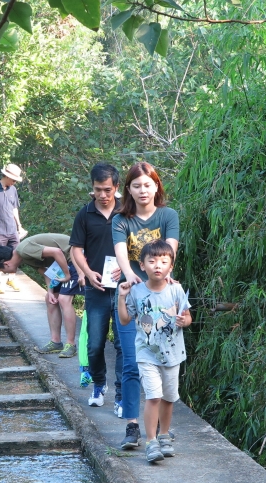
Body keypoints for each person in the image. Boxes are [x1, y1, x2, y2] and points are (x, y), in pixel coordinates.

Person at [112, 162, 179, 449]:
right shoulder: (121, 219)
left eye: (147, 184)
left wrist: (163, 273)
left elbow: (170, 250)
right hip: (133, 292)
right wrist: (130, 278)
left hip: (162, 293)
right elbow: (121, 255)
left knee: (165, 361)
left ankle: (162, 431)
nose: (142, 190)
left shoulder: (168, 215)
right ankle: (132, 425)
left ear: (156, 186)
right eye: (136, 185)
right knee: (130, 362)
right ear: (128, 189)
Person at [117, 239, 192, 463]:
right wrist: (121, 296)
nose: (157, 265)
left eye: (163, 261)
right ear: (142, 265)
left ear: (171, 266)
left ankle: (164, 434)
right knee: (154, 396)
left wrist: (183, 321)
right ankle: (151, 441)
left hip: (173, 354)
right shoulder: (136, 291)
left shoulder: (177, 290)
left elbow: (188, 317)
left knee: (169, 398)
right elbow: (124, 320)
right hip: (146, 353)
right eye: (152, 261)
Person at [70, 163, 123, 414]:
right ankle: (99, 385)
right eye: (97, 190)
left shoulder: (127, 212)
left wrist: (128, 267)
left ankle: (122, 393)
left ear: (117, 187)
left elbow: (139, 248)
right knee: (94, 343)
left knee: (124, 344)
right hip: (96, 287)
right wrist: (87, 272)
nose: (102, 195)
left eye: (107, 190)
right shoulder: (85, 214)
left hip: (124, 289)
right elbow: (75, 249)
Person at [0, 233, 84, 358]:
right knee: (51, 299)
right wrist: (50, 291)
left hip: (76, 256)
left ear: (6, 264)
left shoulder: (24, 250)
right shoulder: (23, 257)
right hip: (64, 263)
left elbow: (57, 252)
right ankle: (56, 342)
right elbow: (46, 272)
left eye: (2, 271)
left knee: (63, 299)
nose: (5, 273)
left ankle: (70, 345)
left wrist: (67, 274)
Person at [0, 163, 24, 294]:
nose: (14, 182)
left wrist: (19, 225)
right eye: (13, 179)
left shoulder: (13, 190)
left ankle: (11, 278)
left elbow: (14, 208)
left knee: (16, 254)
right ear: (6, 176)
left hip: (12, 228)